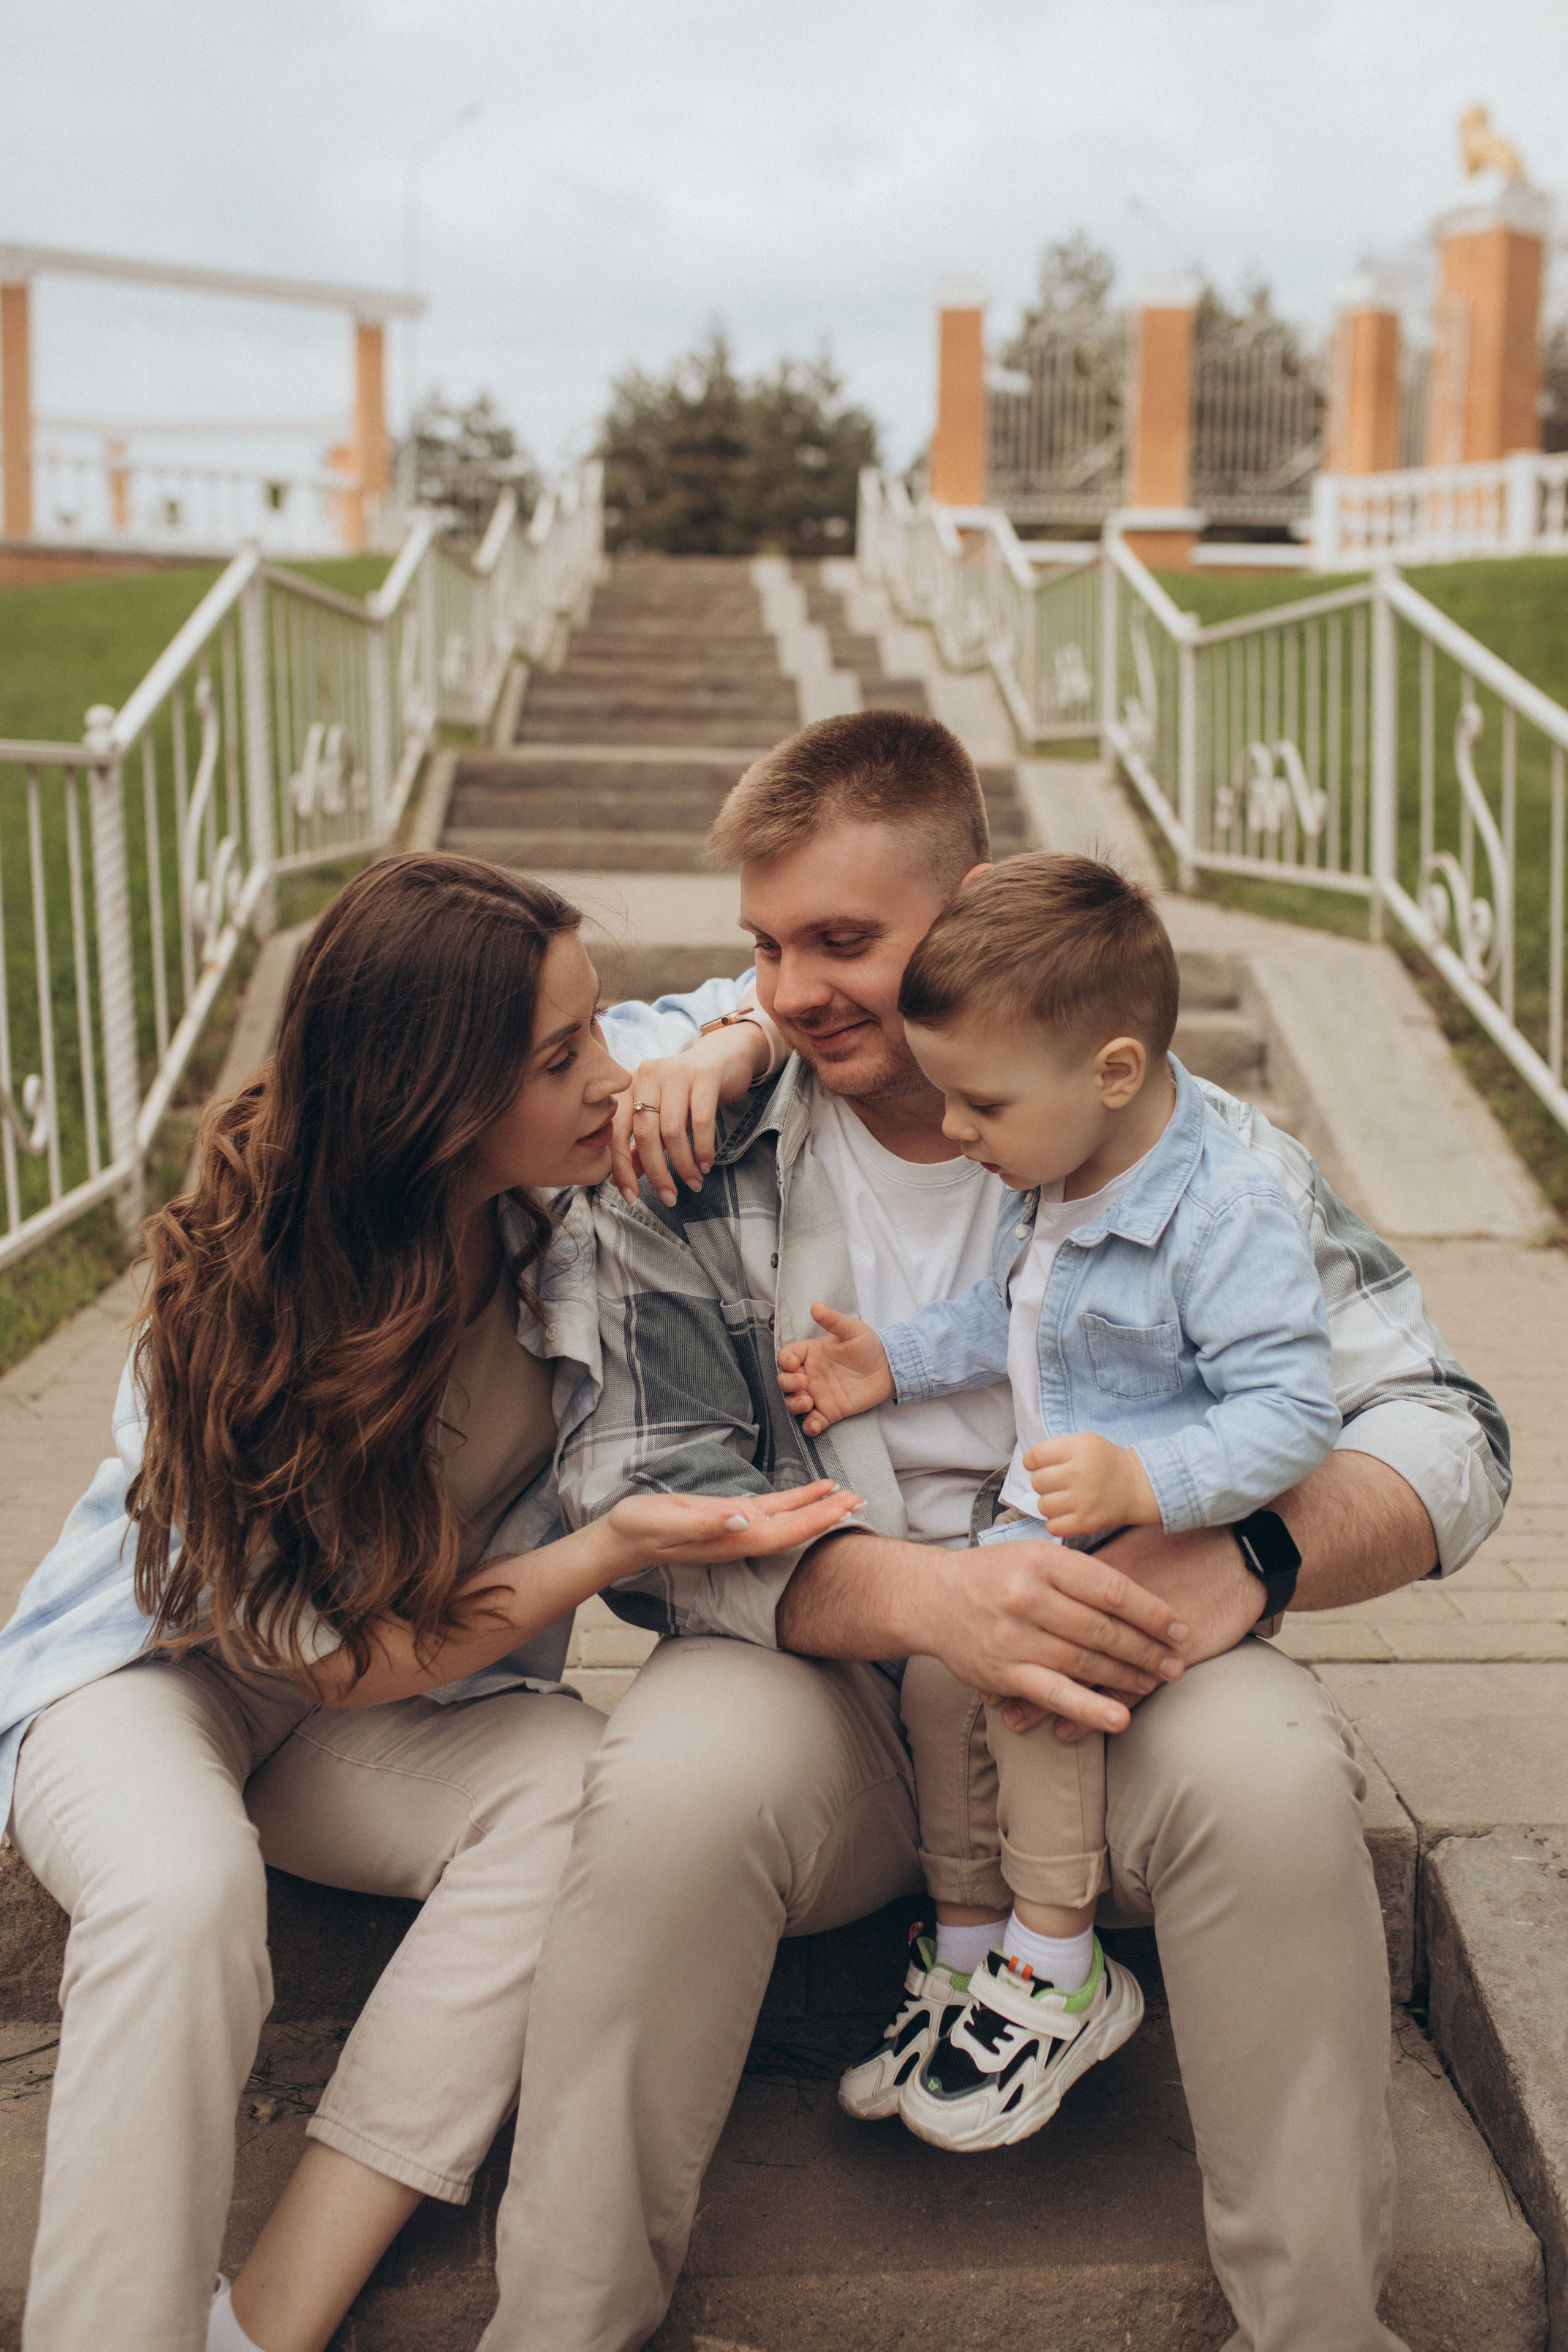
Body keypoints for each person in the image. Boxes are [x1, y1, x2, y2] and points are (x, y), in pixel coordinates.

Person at [483, 709, 1510, 2352]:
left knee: (1270, 1777)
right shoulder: (693, 1150)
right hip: (825, 1697)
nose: (793, 992)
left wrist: (1249, 1557)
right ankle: (560, 2326)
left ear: (969, 907)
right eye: (764, 948)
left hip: (1112, 1680)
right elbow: (641, 1496)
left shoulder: (1187, 1153)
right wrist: (931, 1604)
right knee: (670, 1785)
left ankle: (1319, 2327)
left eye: (842, 941)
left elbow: (1448, 1427)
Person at [0, 852, 854, 2352]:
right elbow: (348, 1662)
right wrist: (606, 1548)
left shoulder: (554, 1165)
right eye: (561, 1058)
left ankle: (269, 2319)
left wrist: (722, 1048)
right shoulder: (250, 1288)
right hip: (157, 1679)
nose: (609, 1078)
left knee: (586, 1792)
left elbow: (755, 999)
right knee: (182, 1895)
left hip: (386, 1710)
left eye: (596, 1030)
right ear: (433, 1099)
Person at [776, 850, 1341, 2152]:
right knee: (939, 1682)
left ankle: (1058, 1965)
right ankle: (971, 1946)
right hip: (1037, 1540)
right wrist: (888, 1363)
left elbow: (1294, 1411)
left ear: (1114, 1071)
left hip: (1145, 1552)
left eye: (979, 1103)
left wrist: (1151, 1479)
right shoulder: (1057, 1175)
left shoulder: (1226, 1212)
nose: (954, 1130)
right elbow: (1010, 1315)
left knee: (1029, 1704)